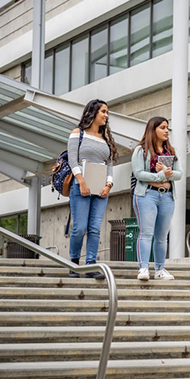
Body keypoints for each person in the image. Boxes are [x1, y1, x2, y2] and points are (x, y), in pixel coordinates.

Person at [67, 99, 117, 279]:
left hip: (101, 189)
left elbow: (109, 164)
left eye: (107, 112)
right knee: (80, 228)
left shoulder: (106, 138)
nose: (106, 115)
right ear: (93, 112)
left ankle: (90, 264)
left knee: (95, 228)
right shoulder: (77, 133)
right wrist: (81, 181)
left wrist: (108, 185)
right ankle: (73, 263)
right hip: (80, 186)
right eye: (103, 111)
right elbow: (72, 159)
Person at [131, 117, 183, 281]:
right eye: (162, 127)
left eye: (167, 127)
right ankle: (143, 268)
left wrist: (168, 173)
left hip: (167, 196)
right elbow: (139, 173)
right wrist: (161, 175)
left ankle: (160, 269)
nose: (166, 131)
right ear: (153, 130)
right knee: (146, 233)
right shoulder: (141, 150)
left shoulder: (171, 152)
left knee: (162, 236)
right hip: (147, 195)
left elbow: (179, 174)